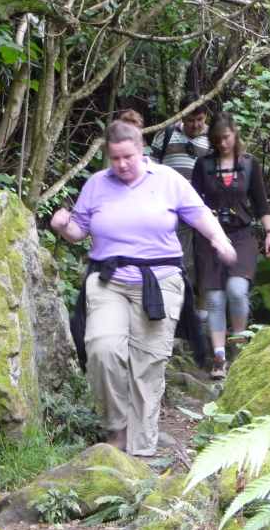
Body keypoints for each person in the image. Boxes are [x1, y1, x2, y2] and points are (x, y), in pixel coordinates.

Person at [51, 120, 236, 456]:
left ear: (142, 151)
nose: (122, 165)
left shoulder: (168, 180)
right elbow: (78, 231)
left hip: (160, 281)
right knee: (102, 350)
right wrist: (63, 225)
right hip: (108, 279)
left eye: (128, 157)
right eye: (115, 158)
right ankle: (117, 430)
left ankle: (141, 450)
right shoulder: (96, 184)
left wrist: (220, 240)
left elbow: (199, 215)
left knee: (147, 365)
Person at [191, 112, 270, 379]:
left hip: (241, 235)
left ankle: (239, 345)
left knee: (237, 290)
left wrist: (269, 232)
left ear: (235, 135)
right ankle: (219, 357)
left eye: (226, 137)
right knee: (215, 299)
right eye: (217, 139)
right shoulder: (203, 165)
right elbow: (192, 202)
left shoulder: (249, 164)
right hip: (209, 238)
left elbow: (261, 202)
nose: (222, 143)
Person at [150, 94, 210, 291]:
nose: (195, 125)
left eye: (200, 119)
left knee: (196, 258)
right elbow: (152, 168)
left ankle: (191, 298)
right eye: (190, 120)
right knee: (169, 255)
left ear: (206, 117)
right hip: (167, 207)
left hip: (199, 209)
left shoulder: (213, 138)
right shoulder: (166, 133)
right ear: (182, 116)